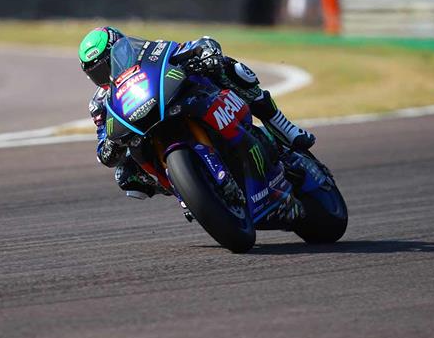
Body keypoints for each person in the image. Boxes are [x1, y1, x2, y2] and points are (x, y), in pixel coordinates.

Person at [78, 26, 314, 223]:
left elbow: (191, 46)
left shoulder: (152, 51)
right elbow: (102, 140)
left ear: (124, 49)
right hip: (147, 134)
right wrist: (108, 147)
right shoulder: (101, 104)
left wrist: (204, 51)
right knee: (125, 174)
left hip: (188, 101)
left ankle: (282, 126)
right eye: (97, 73)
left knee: (232, 69)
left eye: (109, 64)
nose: (106, 74)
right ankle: (186, 189)